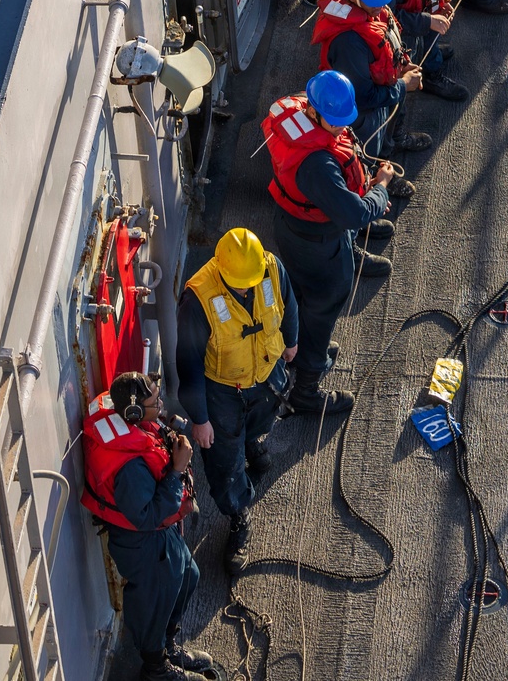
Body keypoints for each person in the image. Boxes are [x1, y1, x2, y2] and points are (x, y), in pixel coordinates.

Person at [263, 71, 393, 423]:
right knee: (322, 308)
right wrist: (380, 188)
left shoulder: (299, 114)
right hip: (319, 245)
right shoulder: (318, 165)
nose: (340, 128)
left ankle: (303, 346)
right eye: (334, 122)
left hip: (293, 229)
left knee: (301, 294)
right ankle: (305, 390)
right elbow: (353, 213)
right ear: (316, 113)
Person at [176, 228, 298, 574]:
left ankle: (252, 444)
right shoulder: (198, 299)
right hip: (223, 390)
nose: (246, 288)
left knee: (263, 420)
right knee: (224, 462)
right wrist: (200, 418)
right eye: (239, 283)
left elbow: (288, 303)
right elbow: (188, 363)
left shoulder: (269, 267)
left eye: (251, 280)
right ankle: (238, 514)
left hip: (266, 373)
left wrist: (292, 340)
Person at [81, 373, 215, 680]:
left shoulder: (135, 426)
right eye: (155, 402)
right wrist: (176, 471)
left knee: (187, 577)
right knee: (154, 603)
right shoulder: (130, 469)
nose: (162, 403)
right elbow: (144, 515)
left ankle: (167, 644)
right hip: (143, 542)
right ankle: (156, 667)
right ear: (134, 412)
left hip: (160, 534)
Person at [313, 0, 430, 162]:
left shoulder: (370, 4)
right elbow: (363, 97)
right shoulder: (348, 42)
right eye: (374, 2)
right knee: (368, 151)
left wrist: (400, 65)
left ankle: (393, 143)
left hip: (386, 84)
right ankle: (376, 173)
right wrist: (403, 85)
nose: (381, 6)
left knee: (389, 122)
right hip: (365, 111)